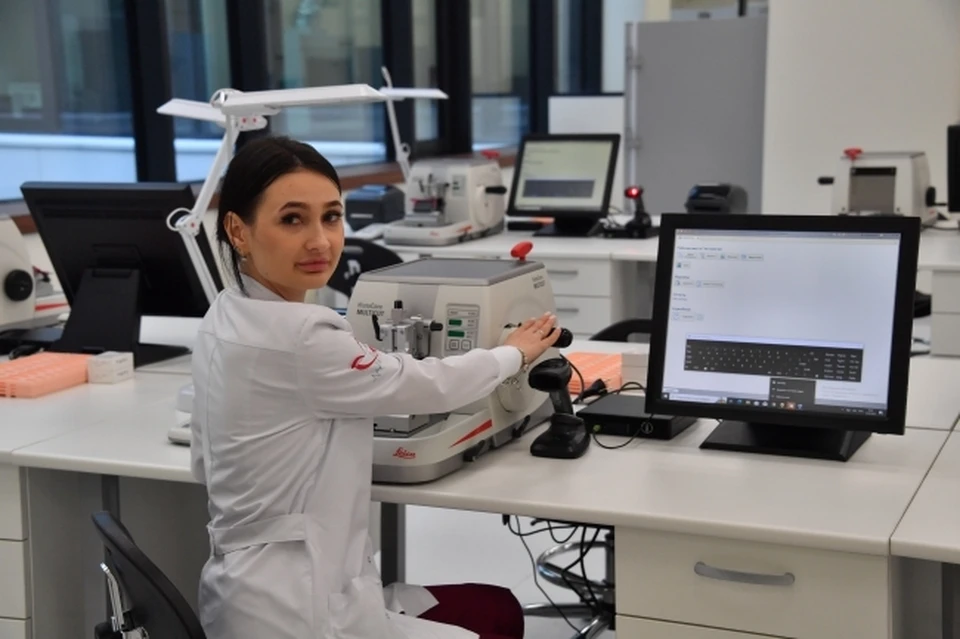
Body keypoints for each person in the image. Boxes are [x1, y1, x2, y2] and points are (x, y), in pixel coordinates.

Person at [189, 135, 563, 639]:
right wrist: (514, 352)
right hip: (300, 612)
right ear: (238, 230)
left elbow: (203, 461)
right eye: (292, 219)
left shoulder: (223, 315)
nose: (320, 241)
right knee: (490, 622)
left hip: (243, 594)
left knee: (491, 605)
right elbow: (429, 385)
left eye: (332, 217)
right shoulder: (303, 335)